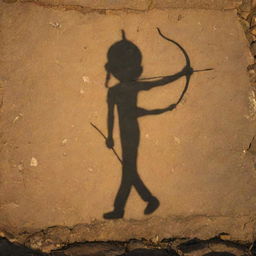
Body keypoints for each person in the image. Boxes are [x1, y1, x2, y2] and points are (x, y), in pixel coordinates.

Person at [103, 30, 193, 219]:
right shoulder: (116, 91)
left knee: (128, 170)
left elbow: (161, 82)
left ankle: (122, 208)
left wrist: (181, 73)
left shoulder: (127, 88)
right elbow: (112, 115)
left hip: (131, 131)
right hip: (126, 130)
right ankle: (149, 199)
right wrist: (110, 136)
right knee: (129, 169)